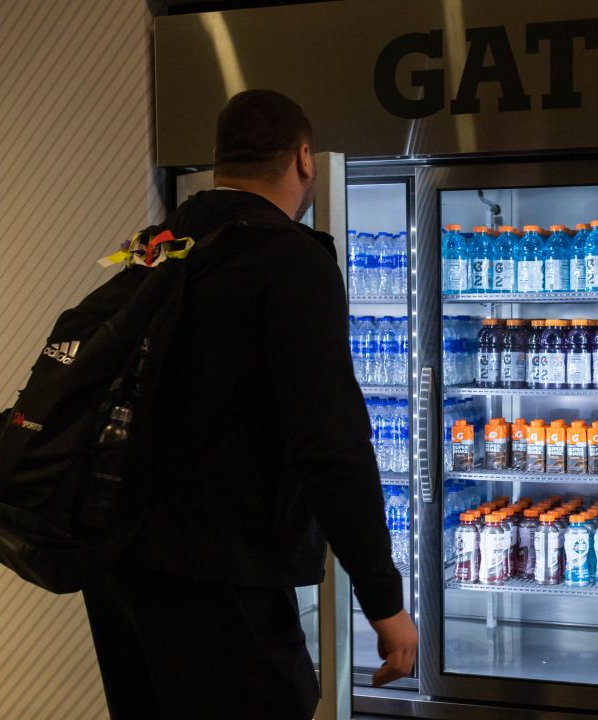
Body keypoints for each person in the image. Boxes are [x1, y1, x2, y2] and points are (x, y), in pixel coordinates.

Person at [81, 89, 417, 719]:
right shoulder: (289, 259)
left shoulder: (157, 246)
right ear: (305, 159)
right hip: (221, 576)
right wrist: (384, 600)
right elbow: (330, 443)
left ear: (217, 161)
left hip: (120, 569)